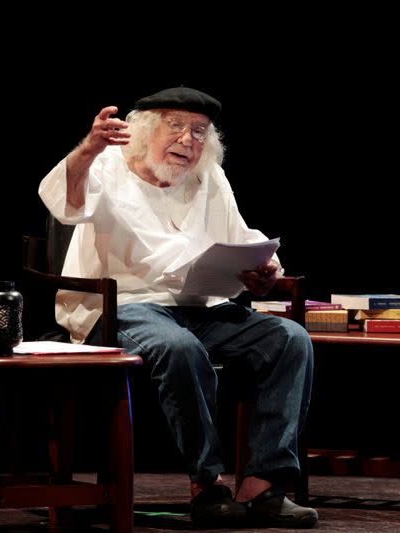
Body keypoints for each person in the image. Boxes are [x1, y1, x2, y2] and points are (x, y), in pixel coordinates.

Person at [38, 87, 317, 528]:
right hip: (125, 306)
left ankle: (264, 484)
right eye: (177, 127)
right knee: (180, 348)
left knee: (289, 339)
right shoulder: (108, 167)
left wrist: (264, 269)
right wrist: (89, 147)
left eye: (199, 131)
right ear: (145, 130)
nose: (188, 140)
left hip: (200, 307)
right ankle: (207, 486)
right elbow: (65, 205)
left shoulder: (209, 177)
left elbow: (241, 236)